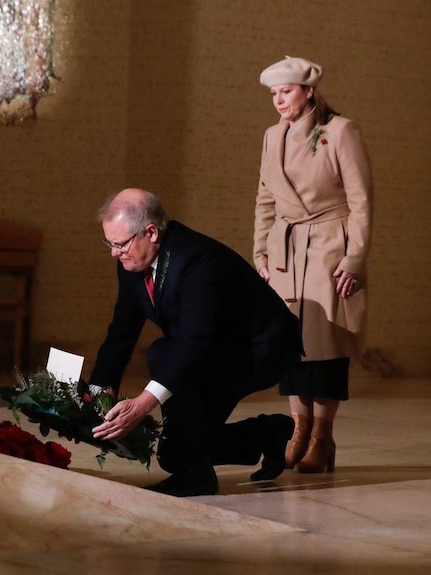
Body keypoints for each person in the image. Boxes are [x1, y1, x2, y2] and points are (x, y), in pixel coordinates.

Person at [90, 189, 302, 497]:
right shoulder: (132, 260)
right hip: (214, 348)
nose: (113, 252)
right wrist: (98, 390)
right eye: (108, 244)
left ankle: (197, 477)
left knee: (167, 374)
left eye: (119, 244)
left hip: (260, 348)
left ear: (150, 232)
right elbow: (122, 330)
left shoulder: (197, 260)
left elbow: (193, 342)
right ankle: (264, 434)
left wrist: (143, 404)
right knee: (175, 446)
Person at [254, 56, 372, 473]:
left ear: (308, 91)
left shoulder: (340, 131)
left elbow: (359, 200)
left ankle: (322, 436)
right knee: (290, 345)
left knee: (325, 346)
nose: (279, 100)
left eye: (285, 91)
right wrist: (261, 254)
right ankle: (298, 430)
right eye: (273, 94)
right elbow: (265, 199)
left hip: (329, 247)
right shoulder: (272, 136)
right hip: (285, 250)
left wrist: (355, 256)